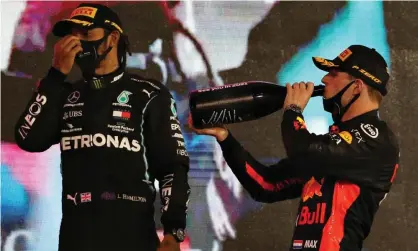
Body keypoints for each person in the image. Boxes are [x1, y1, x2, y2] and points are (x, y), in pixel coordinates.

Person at [14, 3, 190, 251]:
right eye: (72, 35)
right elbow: (28, 139)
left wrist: (173, 233)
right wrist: (55, 75)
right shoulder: (66, 95)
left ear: (113, 38)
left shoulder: (150, 94)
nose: (77, 43)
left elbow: (173, 166)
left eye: (86, 34)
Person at [190, 45, 400, 251]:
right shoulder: (331, 148)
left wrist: (293, 109)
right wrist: (224, 137)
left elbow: (304, 152)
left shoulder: (377, 139)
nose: (324, 79)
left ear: (357, 86)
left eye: (334, 73)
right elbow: (265, 185)